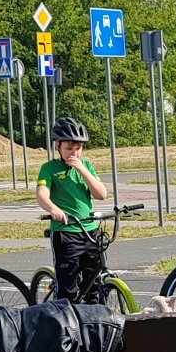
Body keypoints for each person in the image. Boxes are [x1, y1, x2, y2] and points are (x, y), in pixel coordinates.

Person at [35, 116, 109, 301]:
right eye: (69, 148)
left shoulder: (87, 166)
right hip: (66, 233)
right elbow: (42, 193)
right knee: (68, 289)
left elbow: (101, 194)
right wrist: (53, 209)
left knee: (95, 286)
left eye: (78, 148)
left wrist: (82, 169)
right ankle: (63, 315)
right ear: (58, 146)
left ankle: (94, 316)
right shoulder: (49, 168)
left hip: (91, 231)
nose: (74, 153)